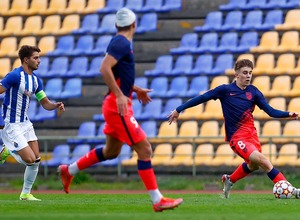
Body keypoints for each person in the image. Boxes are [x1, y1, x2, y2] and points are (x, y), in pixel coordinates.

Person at [58, 7, 183, 212]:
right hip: (118, 107)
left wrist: (134, 89)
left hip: (115, 103)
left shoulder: (119, 42)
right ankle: (157, 200)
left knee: (111, 151)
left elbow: (116, 74)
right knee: (145, 150)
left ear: (117, 25)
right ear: (134, 25)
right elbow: (104, 68)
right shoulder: (122, 42)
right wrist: (119, 94)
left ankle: (69, 170)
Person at [168, 59, 300, 199]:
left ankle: (230, 180)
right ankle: (291, 190)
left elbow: (271, 111)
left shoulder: (253, 92)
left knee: (253, 166)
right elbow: (202, 97)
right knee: (264, 161)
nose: (248, 76)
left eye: (250, 73)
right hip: (237, 138)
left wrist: (289, 114)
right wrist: (179, 109)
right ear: (236, 74)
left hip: (252, 136)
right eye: (245, 72)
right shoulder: (225, 90)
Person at [0, 45, 65, 201]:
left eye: (39, 57)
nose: (39, 61)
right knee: (29, 159)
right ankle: (7, 150)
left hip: (26, 124)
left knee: (36, 160)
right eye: (35, 58)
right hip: (12, 124)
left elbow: (45, 103)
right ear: (26, 60)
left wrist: (55, 105)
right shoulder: (15, 76)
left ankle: (25, 194)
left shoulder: (36, 81)